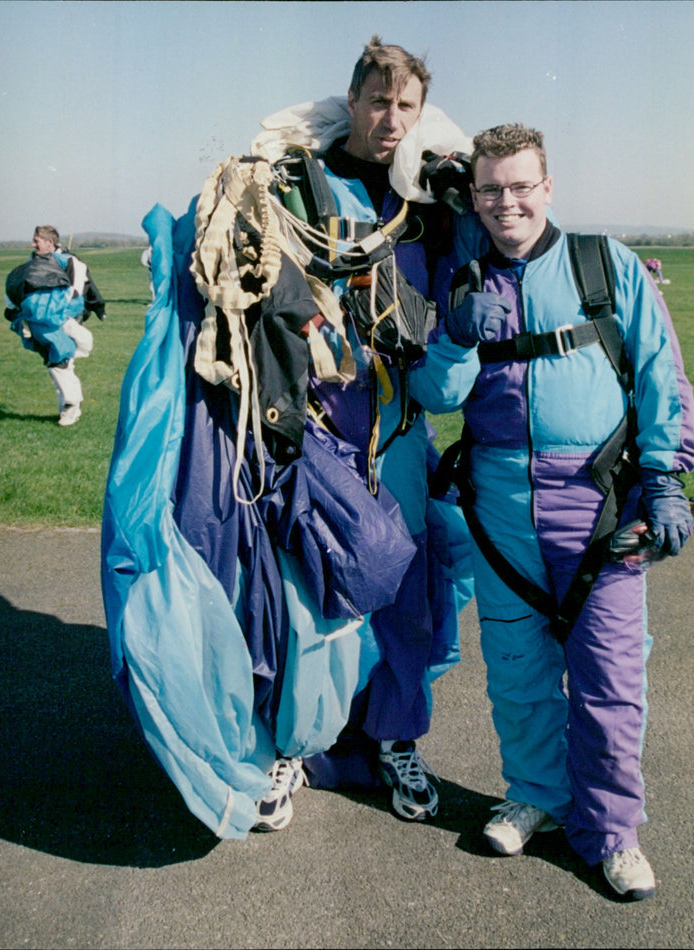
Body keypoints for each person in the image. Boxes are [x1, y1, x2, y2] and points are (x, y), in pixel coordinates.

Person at [411, 124, 694, 899]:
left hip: (600, 506)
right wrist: (458, 339)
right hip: (499, 509)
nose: (507, 202)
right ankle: (536, 794)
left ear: (547, 187)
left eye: (520, 186)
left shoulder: (607, 266)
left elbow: (659, 377)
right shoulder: (464, 280)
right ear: (474, 197)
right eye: (491, 189)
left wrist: (667, 477)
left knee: (609, 676)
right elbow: (437, 398)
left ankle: (611, 831)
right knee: (516, 670)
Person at [255, 36, 480, 825]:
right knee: (311, 589)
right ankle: (294, 744)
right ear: (352, 100)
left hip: (400, 434)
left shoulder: (429, 206)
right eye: (378, 101)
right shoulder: (288, 186)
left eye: (405, 106)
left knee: (408, 594)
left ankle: (396, 739)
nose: (390, 120)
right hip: (317, 430)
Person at [4, 226, 106, 426]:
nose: (33, 245)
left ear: (49, 243)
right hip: (40, 321)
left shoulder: (70, 262)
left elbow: (77, 291)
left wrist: (61, 313)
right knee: (58, 362)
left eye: (37, 241)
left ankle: (70, 406)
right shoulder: (33, 264)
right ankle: (68, 408)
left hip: (64, 318)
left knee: (60, 361)